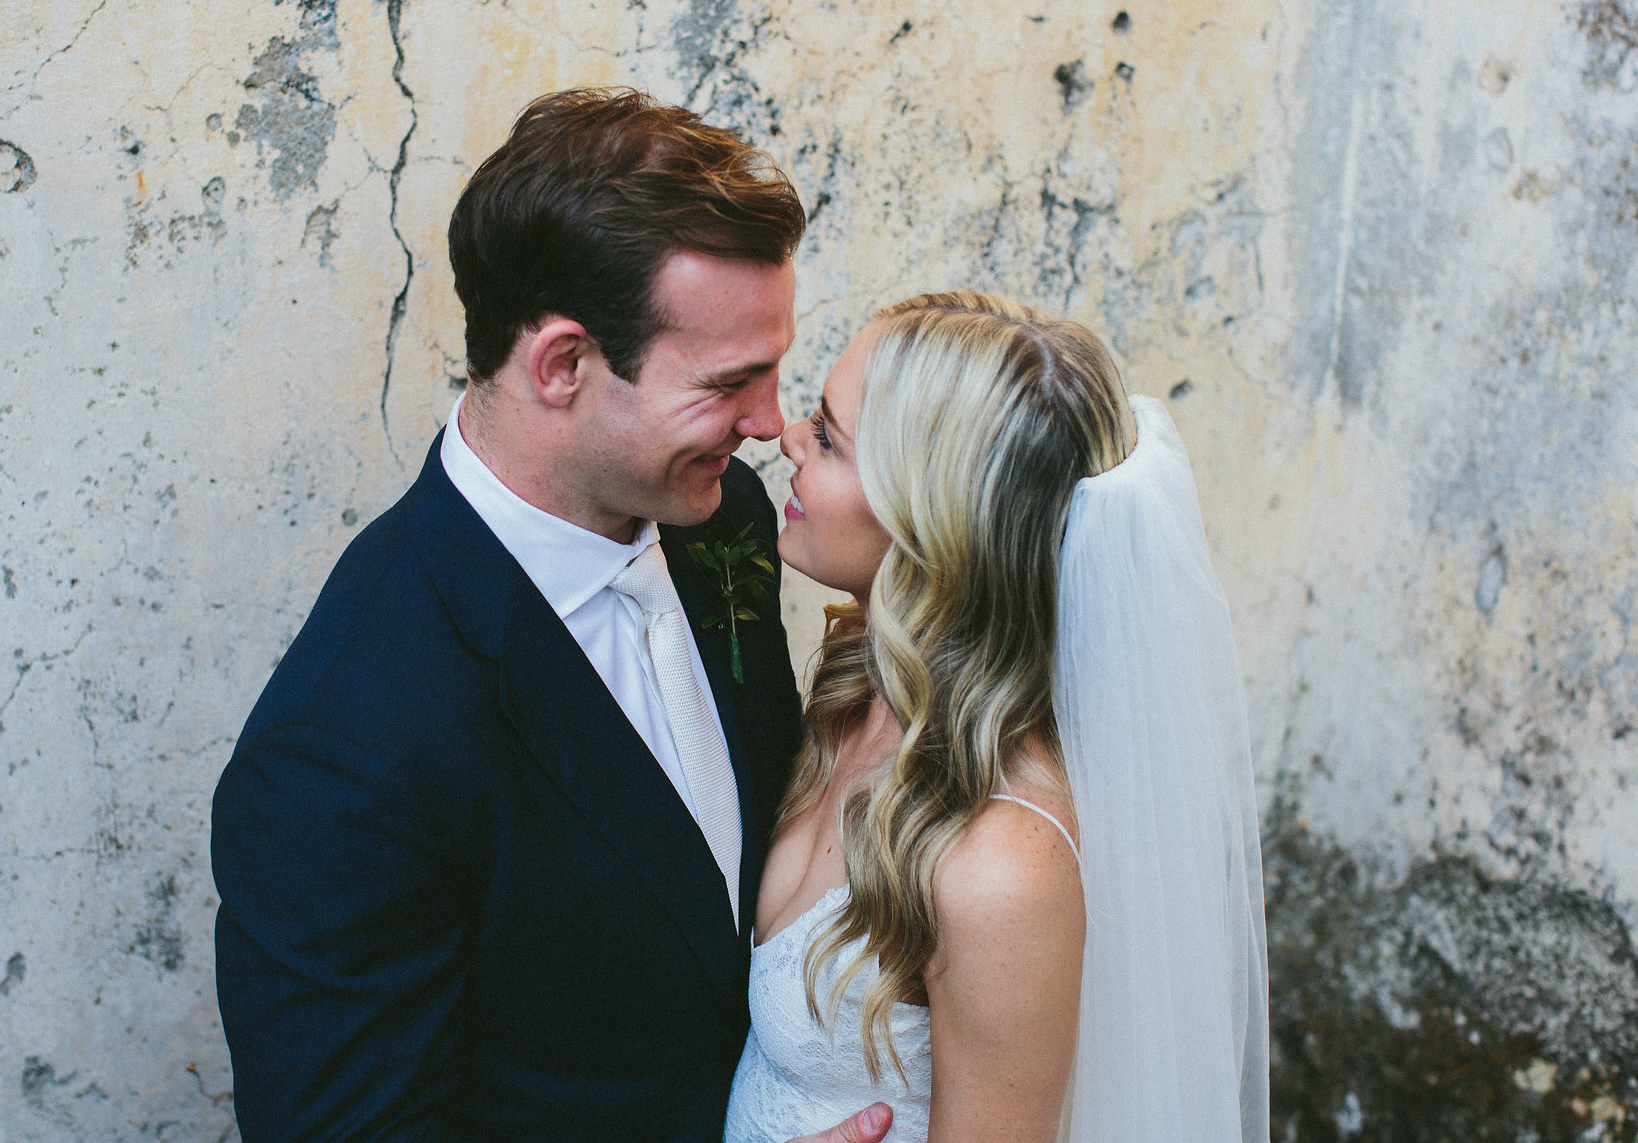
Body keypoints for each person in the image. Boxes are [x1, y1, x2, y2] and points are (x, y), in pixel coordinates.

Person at [212, 88, 894, 1143]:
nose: (768, 424)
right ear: (563, 366)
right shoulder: (345, 744)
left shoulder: (722, 521)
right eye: (729, 384)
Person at [726, 293, 1269, 1142]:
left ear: (927, 523)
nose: (788, 436)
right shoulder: (854, 687)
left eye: (828, 437)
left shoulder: (1000, 867)